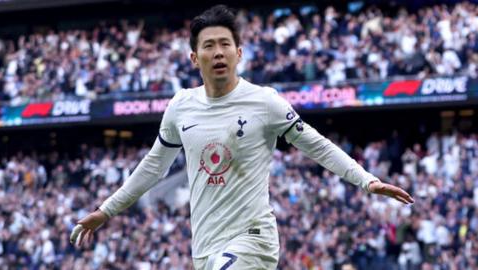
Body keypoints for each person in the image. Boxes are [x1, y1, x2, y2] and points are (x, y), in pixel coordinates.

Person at [70, 5, 414, 269]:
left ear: (239, 52)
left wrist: (367, 181)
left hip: (253, 239)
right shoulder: (180, 107)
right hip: (205, 247)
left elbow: (317, 145)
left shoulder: (264, 102)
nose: (218, 52)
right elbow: (152, 167)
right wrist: (106, 210)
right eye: (209, 46)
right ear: (194, 57)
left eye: (225, 44)